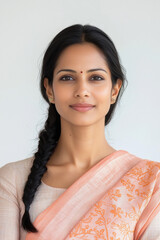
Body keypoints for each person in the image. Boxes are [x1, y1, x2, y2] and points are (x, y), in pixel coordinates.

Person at [0, 24, 160, 240]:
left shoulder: (149, 181)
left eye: (96, 78)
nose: (82, 90)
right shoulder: (12, 181)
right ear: (49, 89)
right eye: (67, 77)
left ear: (114, 90)